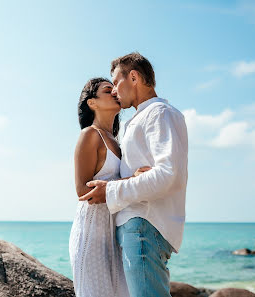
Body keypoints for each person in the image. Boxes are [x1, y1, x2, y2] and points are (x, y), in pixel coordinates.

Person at [79, 52, 189, 297]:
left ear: (134, 77)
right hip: (138, 226)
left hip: (143, 225)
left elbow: (169, 174)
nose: (115, 91)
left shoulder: (159, 113)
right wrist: (130, 180)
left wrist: (110, 190)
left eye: (116, 82)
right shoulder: (142, 119)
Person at [69, 77, 150, 297]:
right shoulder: (90, 135)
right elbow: (82, 192)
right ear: (92, 103)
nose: (115, 92)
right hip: (92, 232)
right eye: (107, 90)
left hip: (116, 234)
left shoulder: (117, 141)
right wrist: (132, 181)